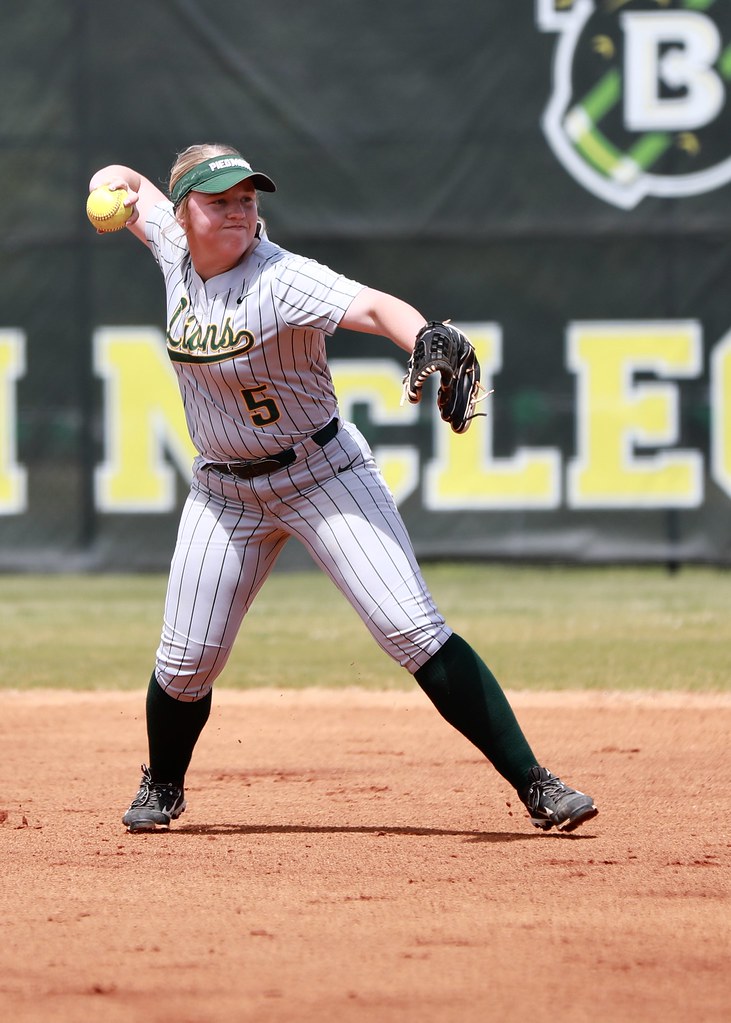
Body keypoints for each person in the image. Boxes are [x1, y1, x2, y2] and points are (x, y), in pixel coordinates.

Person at [88, 144, 598, 836]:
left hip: (322, 474)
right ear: (184, 214)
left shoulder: (281, 278)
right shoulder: (172, 245)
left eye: (247, 198)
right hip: (224, 493)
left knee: (410, 627)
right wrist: (104, 185)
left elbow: (374, 306)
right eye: (219, 200)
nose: (238, 210)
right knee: (186, 662)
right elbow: (130, 182)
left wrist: (425, 336)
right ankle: (163, 783)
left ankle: (537, 783)